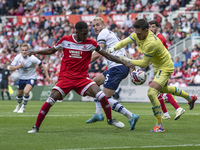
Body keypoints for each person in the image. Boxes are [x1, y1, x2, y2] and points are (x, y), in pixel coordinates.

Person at [27, 21, 134, 133]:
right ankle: (36, 127)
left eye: (87, 33)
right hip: (66, 78)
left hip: (82, 79)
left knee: (101, 95)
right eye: (84, 33)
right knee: (51, 99)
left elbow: (108, 55)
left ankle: (110, 119)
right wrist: (36, 51)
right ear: (76, 32)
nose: (86, 35)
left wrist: (125, 63)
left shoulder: (91, 43)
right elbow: (51, 50)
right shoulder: (65, 40)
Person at [107, 19, 197, 132]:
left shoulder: (151, 43)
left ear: (146, 30)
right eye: (136, 33)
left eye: (139, 33)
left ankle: (160, 126)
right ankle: (190, 98)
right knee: (163, 89)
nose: (137, 35)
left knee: (151, 92)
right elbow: (124, 41)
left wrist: (125, 59)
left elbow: (144, 63)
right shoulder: (137, 33)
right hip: (157, 65)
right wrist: (114, 48)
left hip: (165, 67)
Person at [86, 17, 139, 130]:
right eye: (93, 25)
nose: (95, 27)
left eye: (97, 25)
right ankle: (98, 113)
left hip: (117, 67)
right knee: (93, 84)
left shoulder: (102, 34)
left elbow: (97, 53)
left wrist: (82, 63)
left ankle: (130, 115)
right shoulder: (110, 34)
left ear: (103, 25)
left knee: (106, 98)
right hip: (119, 66)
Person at [149, 20, 185, 120]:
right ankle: (166, 113)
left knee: (158, 90)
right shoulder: (155, 38)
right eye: (150, 27)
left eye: (153, 27)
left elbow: (155, 51)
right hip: (159, 66)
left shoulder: (160, 37)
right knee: (160, 91)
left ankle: (178, 108)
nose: (151, 29)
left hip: (163, 67)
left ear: (157, 28)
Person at [9, 43, 51, 113]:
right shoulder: (18, 57)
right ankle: (19, 105)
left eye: (25, 50)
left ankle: (23, 107)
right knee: (19, 94)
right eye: (23, 50)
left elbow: (43, 66)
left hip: (31, 77)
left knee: (26, 91)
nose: (24, 51)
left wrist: (47, 77)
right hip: (22, 78)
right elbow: (10, 68)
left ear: (28, 50)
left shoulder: (32, 58)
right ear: (20, 51)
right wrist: (19, 66)